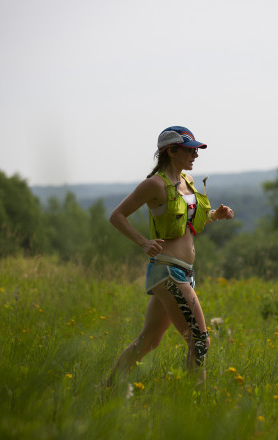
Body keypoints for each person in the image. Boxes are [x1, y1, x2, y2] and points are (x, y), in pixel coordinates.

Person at [106, 126, 234, 386]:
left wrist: (214, 216)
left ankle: (106, 388)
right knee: (200, 341)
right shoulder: (153, 184)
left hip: (183, 272)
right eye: (189, 150)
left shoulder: (187, 182)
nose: (195, 155)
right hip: (168, 271)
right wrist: (143, 242)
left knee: (149, 341)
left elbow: (185, 226)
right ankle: (192, 402)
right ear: (171, 150)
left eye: (196, 150)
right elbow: (116, 216)